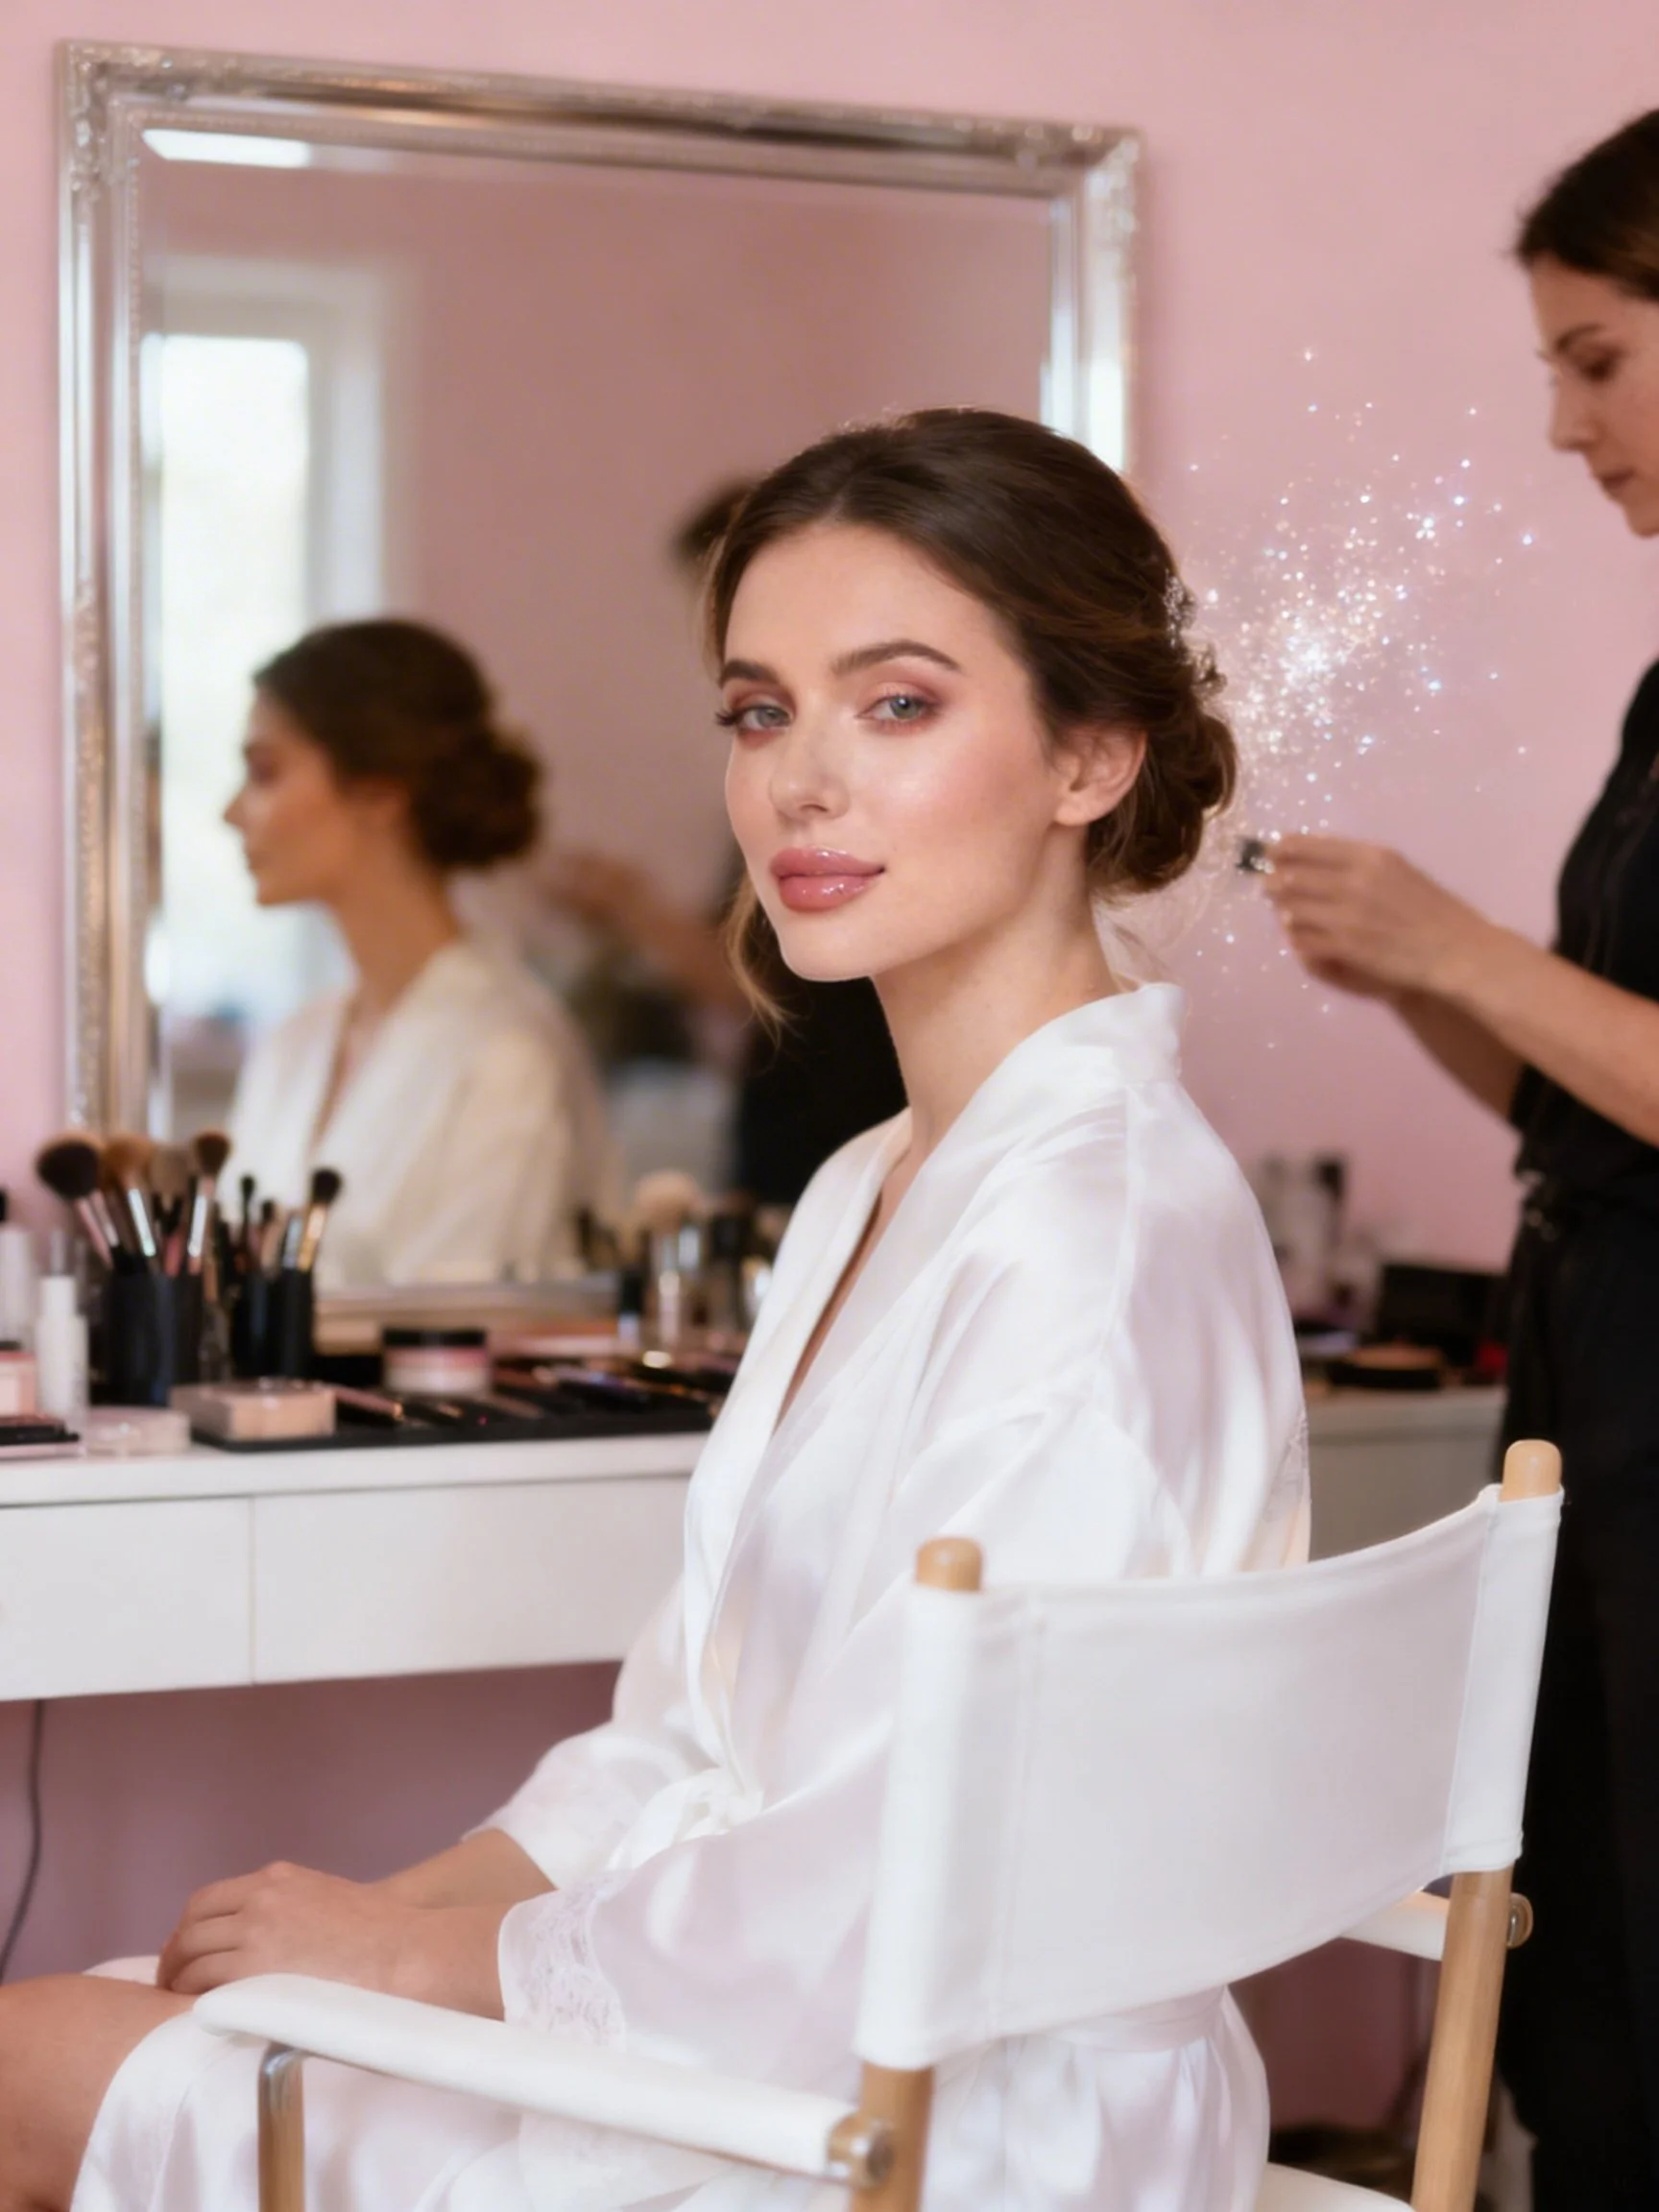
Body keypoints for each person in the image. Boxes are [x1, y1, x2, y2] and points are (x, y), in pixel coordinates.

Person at [0, 410, 1308, 2212]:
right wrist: (405, 1915)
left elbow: (907, 1868)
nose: (798, 784)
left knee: (26, 2067)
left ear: (1090, 752)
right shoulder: (874, 1182)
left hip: (940, 2121)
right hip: (777, 2011)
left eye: (898, 703)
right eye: (759, 711)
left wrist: (424, 1967)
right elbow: (688, 1735)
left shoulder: (1092, 1239)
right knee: (93, 2023)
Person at [1263, 111, 1659, 2209]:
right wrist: (1411, 985)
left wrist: (1468, 947)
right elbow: (1602, 1105)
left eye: (1596, 359)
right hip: (1597, 1375)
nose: (1561, 425)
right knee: (1582, 1949)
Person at [222, 618, 617, 1285]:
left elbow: (456, 1338)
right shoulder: (294, 1045)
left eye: (266, 771)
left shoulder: (506, 1059)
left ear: (381, 792)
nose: (233, 811)